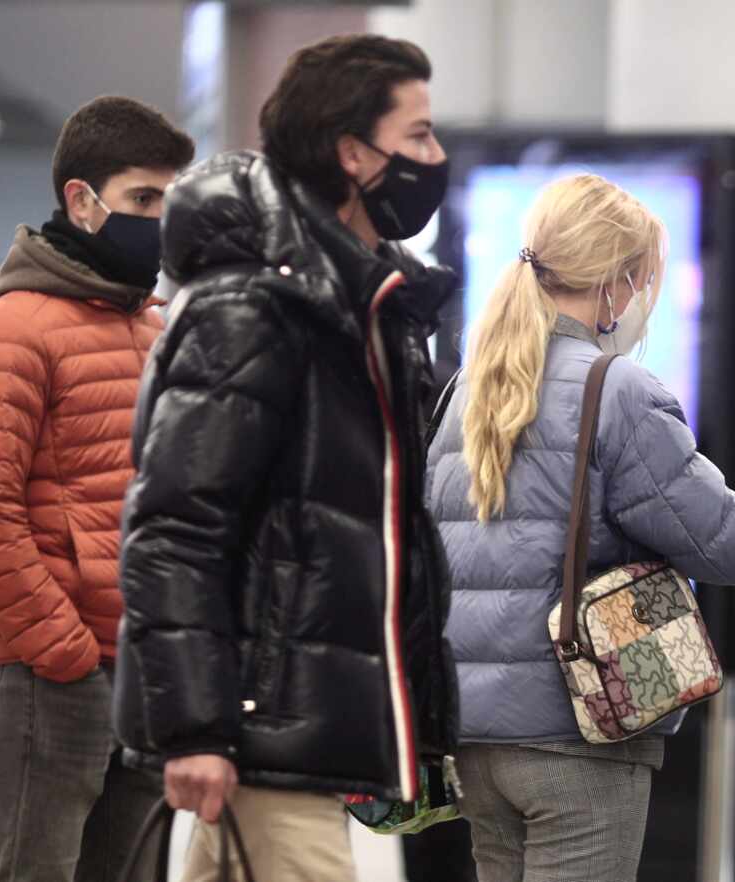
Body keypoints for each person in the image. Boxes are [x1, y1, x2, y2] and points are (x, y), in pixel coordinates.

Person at [425, 173, 735, 882]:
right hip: (577, 732)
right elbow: (729, 544)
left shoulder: (467, 389)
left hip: (474, 739)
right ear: (617, 285)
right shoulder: (616, 388)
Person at [111, 35, 459, 882]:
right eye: (416, 135)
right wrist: (196, 729)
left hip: (293, 721)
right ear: (352, 152)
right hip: (261, 720)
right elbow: (176, 531)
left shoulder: (367, 308)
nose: (436, 156)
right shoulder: (254, 312)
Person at [0, 96, 193, 882]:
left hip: (143, 676)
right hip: (51, 681)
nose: (159, 221)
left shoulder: (151, 332)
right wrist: (65, 657)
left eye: (168, 202)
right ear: (81, 202)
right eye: (142, 200)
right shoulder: (7, 334)